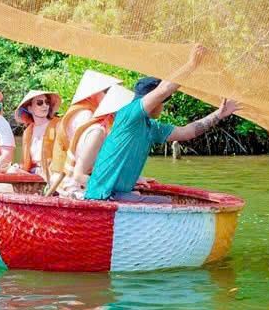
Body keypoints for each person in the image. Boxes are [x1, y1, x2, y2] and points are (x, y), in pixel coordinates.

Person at [80, 46, 240, 201]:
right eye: (162, 102)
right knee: (165, 202)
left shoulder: (151, 127)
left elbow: (187, 132)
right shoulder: (129, 114)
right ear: (154, 101)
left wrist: (219, 114)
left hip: (116, 195)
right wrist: (191, 65)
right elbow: (163, 90)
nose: (163, 106)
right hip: (103, 196)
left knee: (159, 200)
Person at [49, 71, 126, 196]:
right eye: (107, 91)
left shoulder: (92, 114)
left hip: (73, 176)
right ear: (94, 93)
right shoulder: (85, 115)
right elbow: (85, 158)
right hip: (69, 181)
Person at [13, 89, 62, 178]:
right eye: (40, 103)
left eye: (47, 102)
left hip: (53, 173)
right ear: (30, 108)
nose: (45, 106)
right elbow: (26, 162)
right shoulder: (28, 132)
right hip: (34, 173)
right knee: (11, 170)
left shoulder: (58, 125)